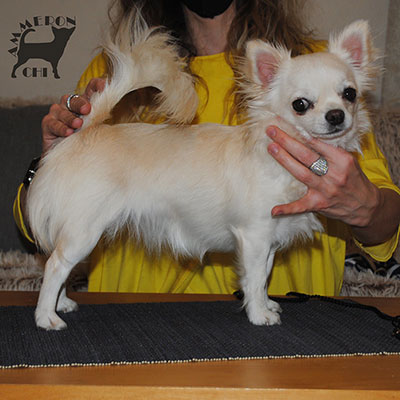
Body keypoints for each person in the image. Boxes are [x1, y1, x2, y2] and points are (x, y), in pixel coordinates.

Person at [14, 0, 400, 297]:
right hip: (133, 311)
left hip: (292, 313)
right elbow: (39, 230)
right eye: (302, 104)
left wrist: (364, 204)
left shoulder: (324, 66)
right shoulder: (120, 70)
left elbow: (385, 223)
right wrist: (53, 159)